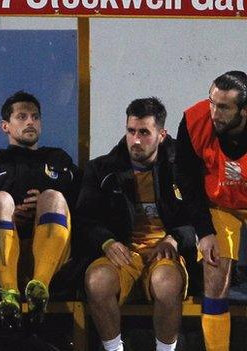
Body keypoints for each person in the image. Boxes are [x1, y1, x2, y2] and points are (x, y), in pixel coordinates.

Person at [79, 97, 192, 351]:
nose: (136, 140)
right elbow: (85, 218)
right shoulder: (102, 169)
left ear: (161, 135)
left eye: (144, 132)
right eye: (131, 131)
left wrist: (175, 238)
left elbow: (200, 218)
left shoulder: (182, 168)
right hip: (123, 254)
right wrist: (106, 241)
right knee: (96, 280)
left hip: (163, 252)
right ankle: (114, 349)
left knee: (167, 282)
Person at [0, 91, 79, 328]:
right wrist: (10, 216)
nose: (30, 122)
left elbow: (82, 209)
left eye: (35, 117)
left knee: (52, 197)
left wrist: (41, 212)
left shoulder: (60, 161)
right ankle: (9, 294)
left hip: (54, 263)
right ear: (5, 126)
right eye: (22, 116)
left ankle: (40, 288)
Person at [176, 71, 247, 351]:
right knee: (215, 276)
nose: (214, 112)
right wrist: (204, 232)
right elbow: (186, 181)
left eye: (224, 107)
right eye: (212, 102)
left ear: (244, 110)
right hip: (220, 206)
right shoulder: (194, 121)